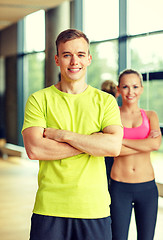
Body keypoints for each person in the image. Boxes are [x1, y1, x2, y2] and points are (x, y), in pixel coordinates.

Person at [22, 29, 123, 240]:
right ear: (57, 59)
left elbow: (112, 147)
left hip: (94, 208)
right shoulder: (39, 99)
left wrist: (63, 135)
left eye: (80, 54)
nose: (74, 61)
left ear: (89, 58)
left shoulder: (105, 102)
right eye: (67, 55)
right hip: (49, 208)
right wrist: (92, 143)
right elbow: (34, 149)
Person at [109, 69, 162, 240]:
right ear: (118, 89)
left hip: (147, 188)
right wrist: (143, 144)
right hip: (119, 187)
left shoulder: (151, 115)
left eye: (135, 86)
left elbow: (155, 144)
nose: (130, 92)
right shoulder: (112, 115)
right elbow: (111, 149)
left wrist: (121, 141)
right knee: (118, 237)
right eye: (125, 87)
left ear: (141, 89)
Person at [101, 80, 119, 192]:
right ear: (117, 93)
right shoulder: (116, 111)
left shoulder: (100, 110)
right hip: (113, 155)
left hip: (104, 152)